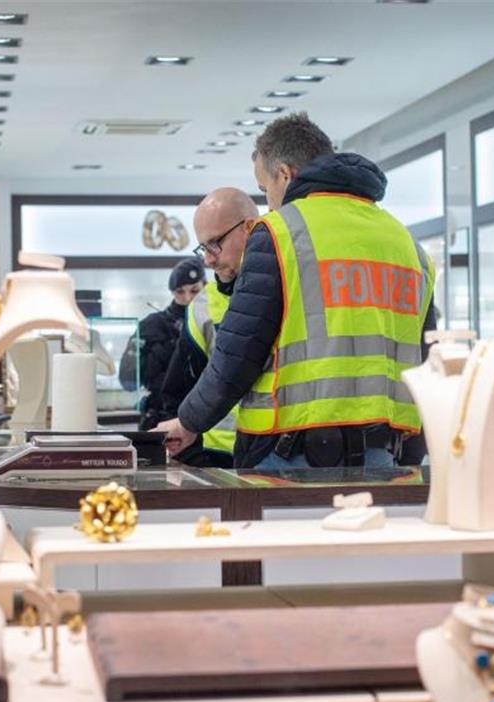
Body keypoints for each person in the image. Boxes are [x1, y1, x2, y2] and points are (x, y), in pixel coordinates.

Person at [155, 112, 437, 470]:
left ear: (285, 174)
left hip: (289, 455)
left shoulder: (278, 233)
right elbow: (427, 364)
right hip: (383, 456)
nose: (268, 203)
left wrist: (189, 423)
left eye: (264, 189)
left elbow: (238, 352)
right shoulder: (408, 245)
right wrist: (411, 456)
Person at [157, 188, 260, 467]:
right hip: (217, 459)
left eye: (215, 243)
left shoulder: (289, 288)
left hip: (278, 455)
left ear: (250, 228)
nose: (208, 259)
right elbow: (177, 390)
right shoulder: (203, 305)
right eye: (204, 247)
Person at [128, 257, 205, 430]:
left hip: (202, 414)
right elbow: (128, 378)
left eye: (194, 291)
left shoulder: (212, 320)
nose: (187, 298)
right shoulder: (152, 325)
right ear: (172, 292)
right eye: (180, 292)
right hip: (161, 414)